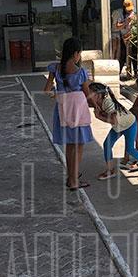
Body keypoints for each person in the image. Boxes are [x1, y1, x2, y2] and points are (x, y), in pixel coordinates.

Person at [43, 37, 94, 190]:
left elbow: (46, 90)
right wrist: (97, 106)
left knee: (70, 145)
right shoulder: (81, 72)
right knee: (78, 145)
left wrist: (57, 94)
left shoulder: (55, 68)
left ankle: (71, 177)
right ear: (76, 54)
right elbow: (88, 94)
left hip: (62, 110)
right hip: (78, 111)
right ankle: (74, 181)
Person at [89, 82, 138, 182]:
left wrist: (99, 117)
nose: (88, 95)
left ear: (98, 95)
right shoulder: (99, 101)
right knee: (107, 145)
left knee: (130, 149)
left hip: (129, 125)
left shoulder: (107, 102)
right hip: (119, 126)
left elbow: (114, 121)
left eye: (90, 93)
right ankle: (110, 170)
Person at [114, 0, 138, 79]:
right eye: (128, 9)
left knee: (134, 55)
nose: (129, 11)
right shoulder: (120, 14)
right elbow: (117, 26)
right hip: (124, 36)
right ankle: (119, 73)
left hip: (133, 36)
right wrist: (126, 22)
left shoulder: (134, 14)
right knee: (123, 55)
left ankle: (135, 72)